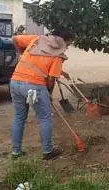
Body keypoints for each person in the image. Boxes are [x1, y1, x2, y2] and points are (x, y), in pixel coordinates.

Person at [10, 30, 74, 160]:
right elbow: (51, 80)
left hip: (15, 81)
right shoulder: (57, 56)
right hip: (34, 86)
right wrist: (48, 94)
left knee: (19, 117)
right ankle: (47, 151)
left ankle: (15, 152)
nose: (68, 47)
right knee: (45, 118)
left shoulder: (36, 39)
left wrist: (21, 53)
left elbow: (15, 39)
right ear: (62, 41)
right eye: (68, 44)